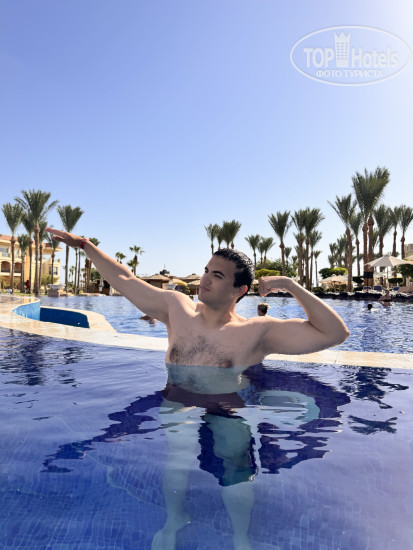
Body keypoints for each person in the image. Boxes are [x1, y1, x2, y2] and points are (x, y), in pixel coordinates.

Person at [46, 228, 349, 366]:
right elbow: (125, 279)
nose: (205, 279)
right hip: (176, 409)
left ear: (239, 290)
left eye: (217, 275)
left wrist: (290, 284)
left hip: (227, 413)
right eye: (206, 270)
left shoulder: (257, 332)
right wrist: (84, 245)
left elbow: (335, 334)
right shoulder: (176, 308)